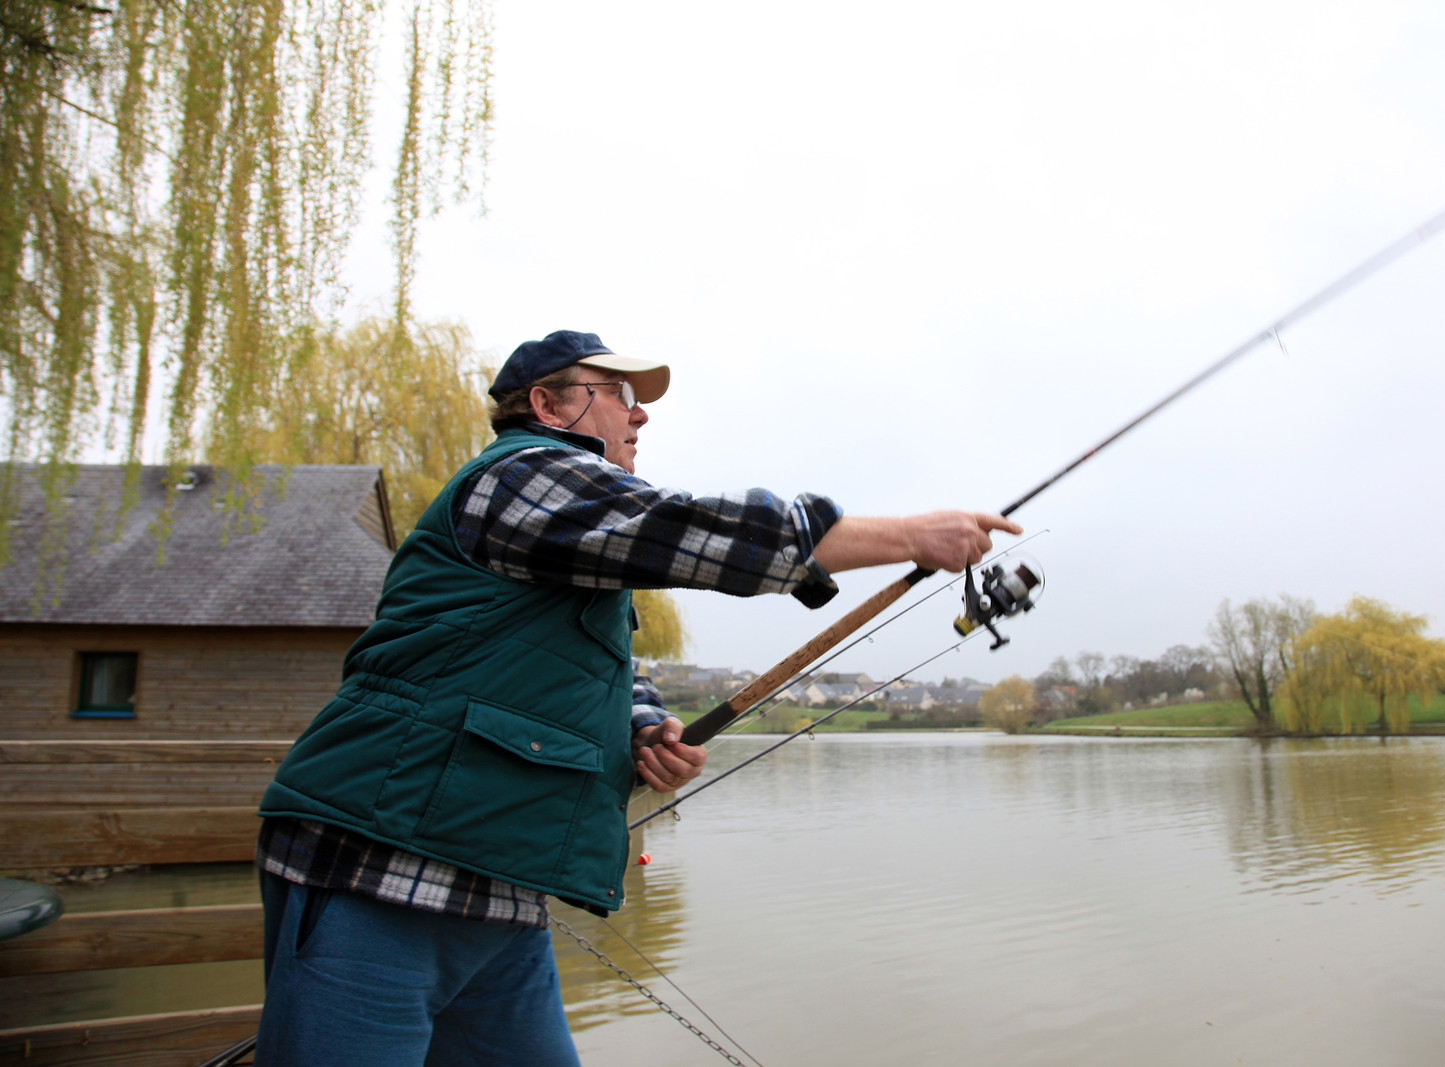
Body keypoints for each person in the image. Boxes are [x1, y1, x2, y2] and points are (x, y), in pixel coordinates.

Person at [253, 329, 1019, 1065]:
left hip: (498, 893)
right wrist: (906, 536)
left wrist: (643, 724)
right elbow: (677, 529)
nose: (640, 410)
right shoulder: (522, 473)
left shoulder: (566, 526)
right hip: (375, 868)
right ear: (549, 407)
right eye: (618, 391)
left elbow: (584, 663)